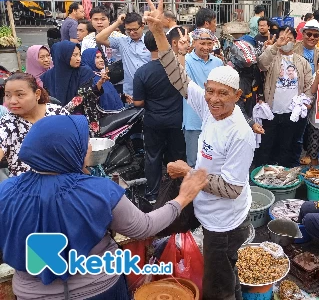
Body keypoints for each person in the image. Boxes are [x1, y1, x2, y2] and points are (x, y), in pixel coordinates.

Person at [0, 114, 207, 299]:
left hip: (30, 294)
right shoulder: (99, 191)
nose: (89, 145)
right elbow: (144, 227)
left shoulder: (5, 190)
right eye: (84, 141)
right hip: (99, 289)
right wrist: (183, 197)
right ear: (69, 149)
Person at [144, 0, 256, 300]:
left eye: (223, 94)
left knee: (216, 287)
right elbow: (179, 78)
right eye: (210, 91)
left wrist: (187, 172)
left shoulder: (241, 134)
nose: (214, 99)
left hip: (225, 223)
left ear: (237, 95)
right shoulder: (208, 107)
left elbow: (232, 188)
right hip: (209, 213)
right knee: (225, 274)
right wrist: (158, 34)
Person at [133, 30, 186, 202]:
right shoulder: (176, 69)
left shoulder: (142, 72)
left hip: (153, 121)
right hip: (176, 121)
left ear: (147, 47)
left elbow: (138, 102)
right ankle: (177, 191)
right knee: (177, 156)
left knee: (153, 157)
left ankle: (153, 194)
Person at [254, 27, 312, 167]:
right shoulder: (272, 57)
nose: (286, 41)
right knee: (266, 146)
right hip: (271, 112)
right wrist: (275, 46)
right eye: (283, 38)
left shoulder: (301, 62)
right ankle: (261, 176)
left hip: (291, 113)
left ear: (295, 41)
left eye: (290, 38)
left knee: (286, 147)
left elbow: (308, 85)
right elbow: (261, 63)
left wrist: (307, 101)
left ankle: (283, 178)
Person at [0, 72, 68, 177]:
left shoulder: (57, 113)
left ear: (37, 94)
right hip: (25, 187)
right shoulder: (7, 123)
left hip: (62, 181)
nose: (12, 101)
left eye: (19, 95)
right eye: (8, 95)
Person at [180, 28, 224, 168]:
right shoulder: (186, 60)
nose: (206, 47)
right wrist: (181, 52)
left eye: (209, 43)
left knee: (213, 160)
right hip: (193, 120)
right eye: (202, 43)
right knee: (193, 162)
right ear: (194, 43)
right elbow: (180, 77)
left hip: (214, 119)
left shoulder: (218, 62)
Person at [96, 12, 151, 96]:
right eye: (128, 30)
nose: (132, 32)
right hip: (130, 93)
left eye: (135, 29)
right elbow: (99, 38)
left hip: (149, 89)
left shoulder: (150, 41)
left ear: (142, 27)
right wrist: (117, 23)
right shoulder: (122, 41)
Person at [40, 41, 102, 106]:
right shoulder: (47, 76)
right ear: (63, 56)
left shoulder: (84, 72)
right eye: (74, 55)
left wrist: (63, 111)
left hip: (80, 114)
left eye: (79, 55)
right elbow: (48, 100)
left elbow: (81, 97)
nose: (79, 59)